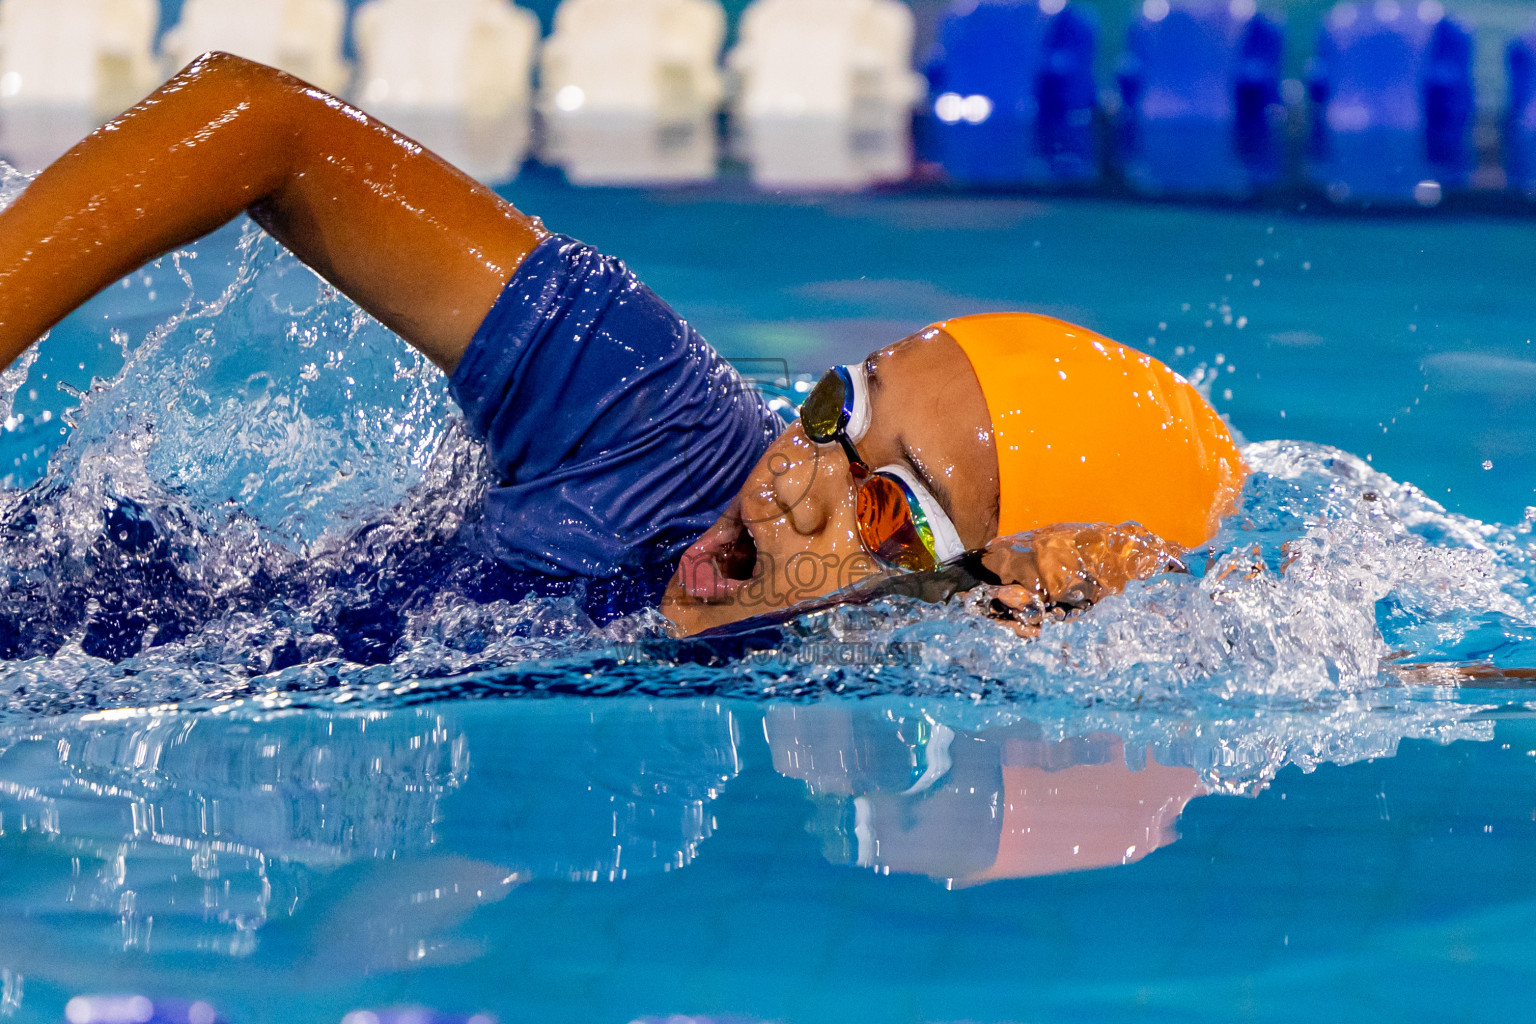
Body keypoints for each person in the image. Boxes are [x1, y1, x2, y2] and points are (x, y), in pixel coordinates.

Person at [0, 53, 1247, 641]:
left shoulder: (903, 665)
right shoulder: (662, 425)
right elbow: (261, 122)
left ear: (997, 596)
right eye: (836, 406)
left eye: (890, 507)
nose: (795, 478)